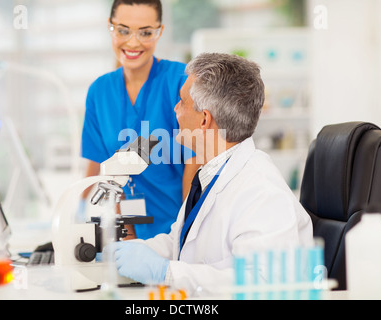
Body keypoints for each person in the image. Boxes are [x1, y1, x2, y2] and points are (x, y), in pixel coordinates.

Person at [111, 53, 314, 296]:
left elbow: (262, 283)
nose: (175, 109)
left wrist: (165, 272)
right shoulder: (212, 174)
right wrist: (130, 252)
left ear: (205, 119)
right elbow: (179, 242)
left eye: (182, 102)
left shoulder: (261, 191)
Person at [81, 0, 198, 239]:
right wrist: (75, 220)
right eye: (123, 30)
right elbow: (99, 172)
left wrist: (185, 234)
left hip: (177, 233)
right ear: (110, 27)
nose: (133, 42)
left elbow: (196, 165)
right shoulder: (99, 92)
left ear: (159, 32)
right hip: (125, 236)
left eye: (145, 32)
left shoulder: (181, 82)